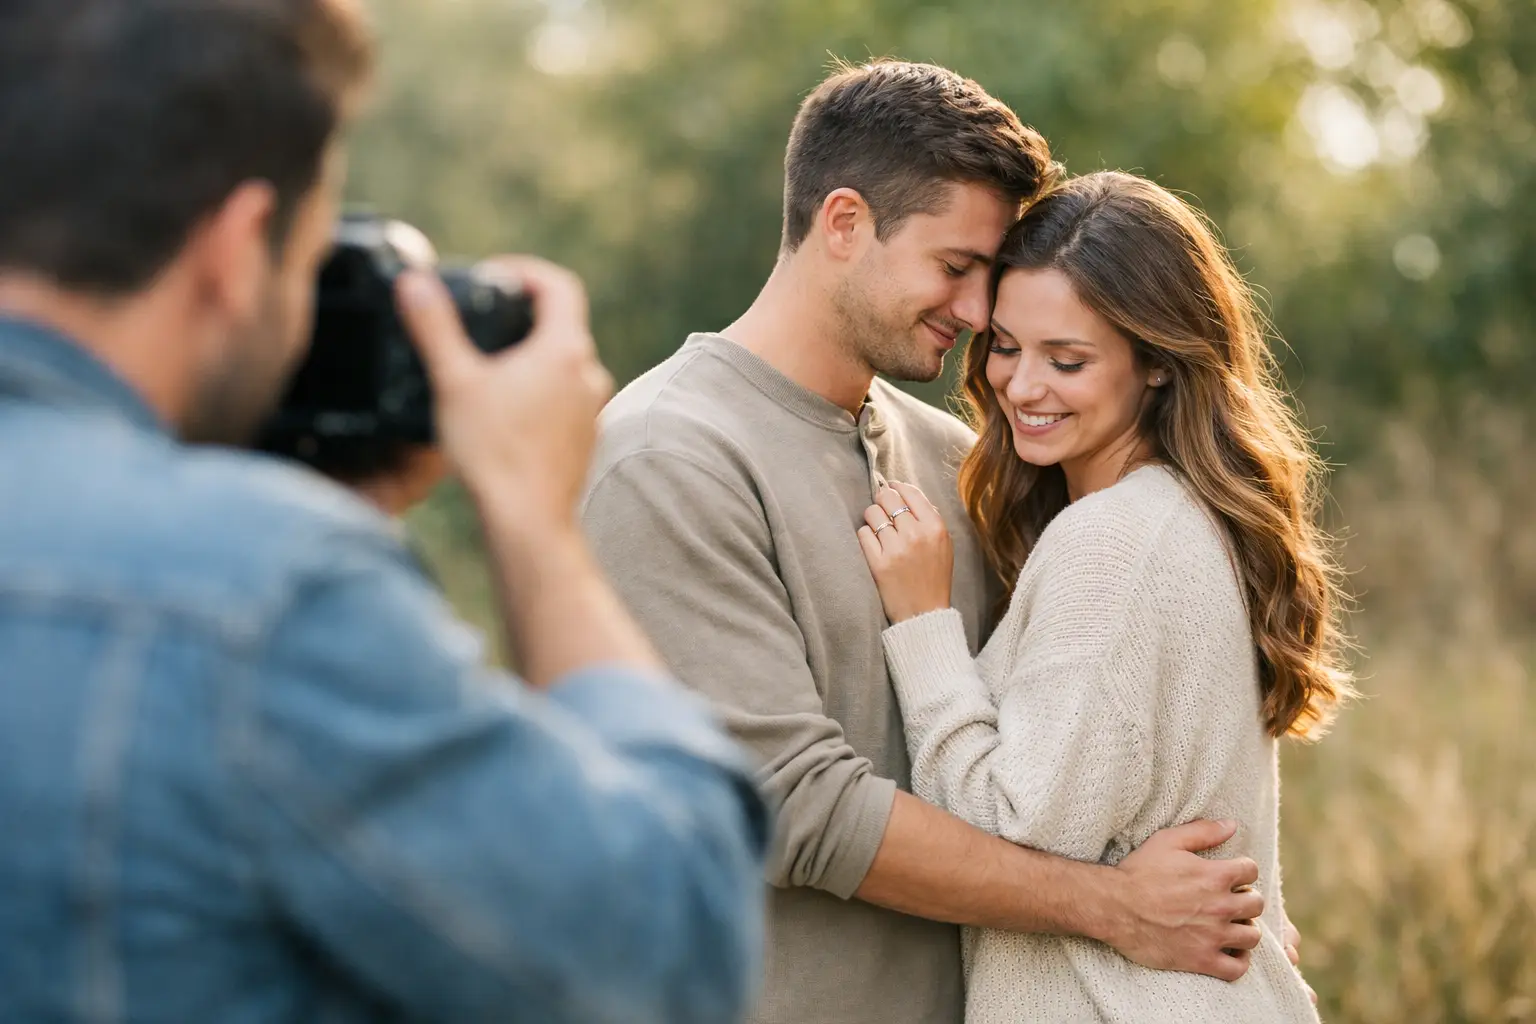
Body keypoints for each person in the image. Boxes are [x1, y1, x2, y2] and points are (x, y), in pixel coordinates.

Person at [0, 2, 767, 1022]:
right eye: (307, 258)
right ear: (233, 253)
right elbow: (675, 946)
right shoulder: (260, 593)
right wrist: (534, 517)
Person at [582, 60, 1277, 1024]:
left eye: (989, 276)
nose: (982, 312)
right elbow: (791, 807)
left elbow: (1092, 738)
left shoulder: (964, 459)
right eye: (956, 268)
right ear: (844, 224)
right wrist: (1119, 911)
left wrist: (1246, 942)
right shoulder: (669, 458)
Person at [858, 170, 1352, 1021]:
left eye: (1069, 360)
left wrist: (923, 625)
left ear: (1156, 365)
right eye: (1007, 346)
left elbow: (1011, 833)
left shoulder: (1113, 541)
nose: (1020, 387)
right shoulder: (1186, 518)